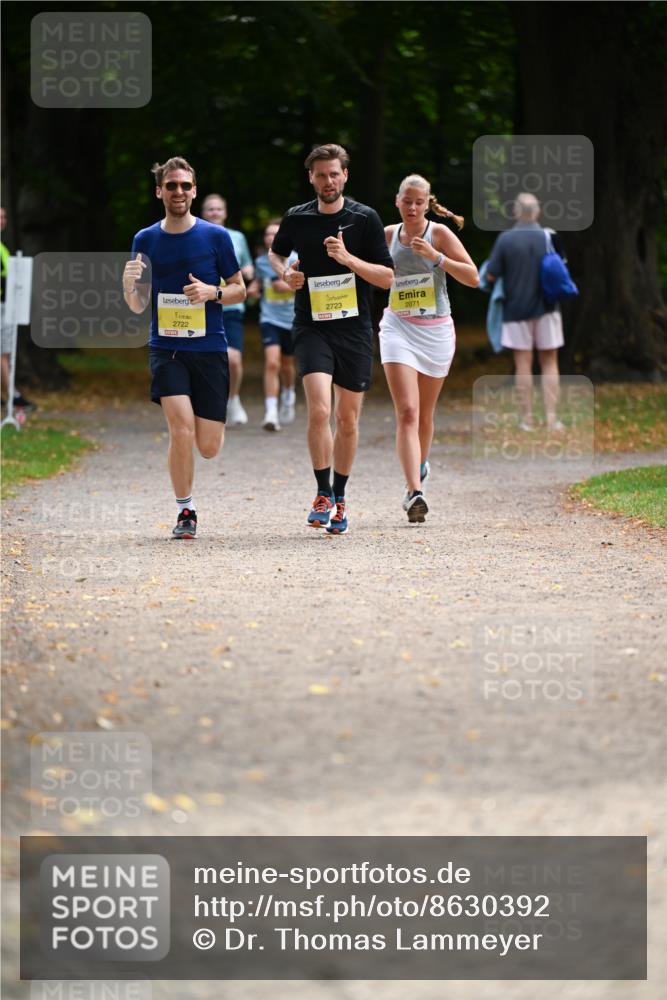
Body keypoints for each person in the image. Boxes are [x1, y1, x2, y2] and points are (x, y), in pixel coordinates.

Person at [269, 143, 394, 534]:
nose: (328, 181)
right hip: (312, 326)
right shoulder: (297, 218)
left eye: (334, 174)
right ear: (311, 178)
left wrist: (348, 260)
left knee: (347, 418)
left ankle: (340, 498)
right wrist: (285, 273)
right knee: (321, 410)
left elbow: (388, 278)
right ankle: (322, 493)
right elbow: (276, 254)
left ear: (345, 176)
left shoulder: (365, 219)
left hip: (354, 329)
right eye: (321, 175)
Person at [123, 157, 245, 539]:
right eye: (171, 185)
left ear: (194, 190)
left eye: (185, 186)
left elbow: (240, 289)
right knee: (181, 431)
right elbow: (137, 305)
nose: (179, 192)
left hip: (209, 349)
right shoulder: (145, 239)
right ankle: (185, 511)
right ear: (159, 191)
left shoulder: (215, 237)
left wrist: (214, 292)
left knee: (207, 446)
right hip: (166, 348)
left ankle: (207, 444)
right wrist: (128, 284)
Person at [379, 175, 479, 523]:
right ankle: (414, 492)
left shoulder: (439, 234)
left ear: (427, 203)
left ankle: (420, 464)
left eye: (419, 202)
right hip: (398, 327)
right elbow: (365, 266)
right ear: (397, 201)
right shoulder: (389, 235)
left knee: (424, 413)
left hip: (436, 330)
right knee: (407, 410)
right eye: (407, 201)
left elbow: (473, 276)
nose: (412, 207)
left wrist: (437, 258)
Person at [485, 193, 565, 431]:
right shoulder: (550, 237)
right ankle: (552, 419)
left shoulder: (505, 239)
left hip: (515, 309)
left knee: (523, 364)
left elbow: (491, 275)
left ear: (516, 213)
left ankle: (527, 419)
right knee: (550, 362)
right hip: (548, 308)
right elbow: (561, 270)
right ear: (537, 212)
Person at [200, 194, 254, 425]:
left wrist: (244, 273)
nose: (214, 213)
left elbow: (249, 267)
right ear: (203, 213)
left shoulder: (237, 237)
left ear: (225, 213)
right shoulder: (195, 235)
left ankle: (233, 400)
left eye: (218, 209)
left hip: (231, 306)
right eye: (210, 209)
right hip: (202, 306)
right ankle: (207, 404)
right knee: (204, 359)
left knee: (232, 359)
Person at [247, 219, 297, 431]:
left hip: (293, 320)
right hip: (270, 318)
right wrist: (253, 289)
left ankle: (289, 392)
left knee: (287, 365)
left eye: (276, 234)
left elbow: (310, 287)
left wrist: (290, 286)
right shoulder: (261, 262)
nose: (271, 238)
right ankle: (271, 413)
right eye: (268, 234)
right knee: (272, 363)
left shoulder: (296, 258)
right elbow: (260, 282)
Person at [0, 207, 34, 411]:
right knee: (3, 352)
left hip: (6, 304)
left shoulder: (2, 246)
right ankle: (13, 395)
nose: (2, 220)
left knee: (5, 351)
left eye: (4, 216)